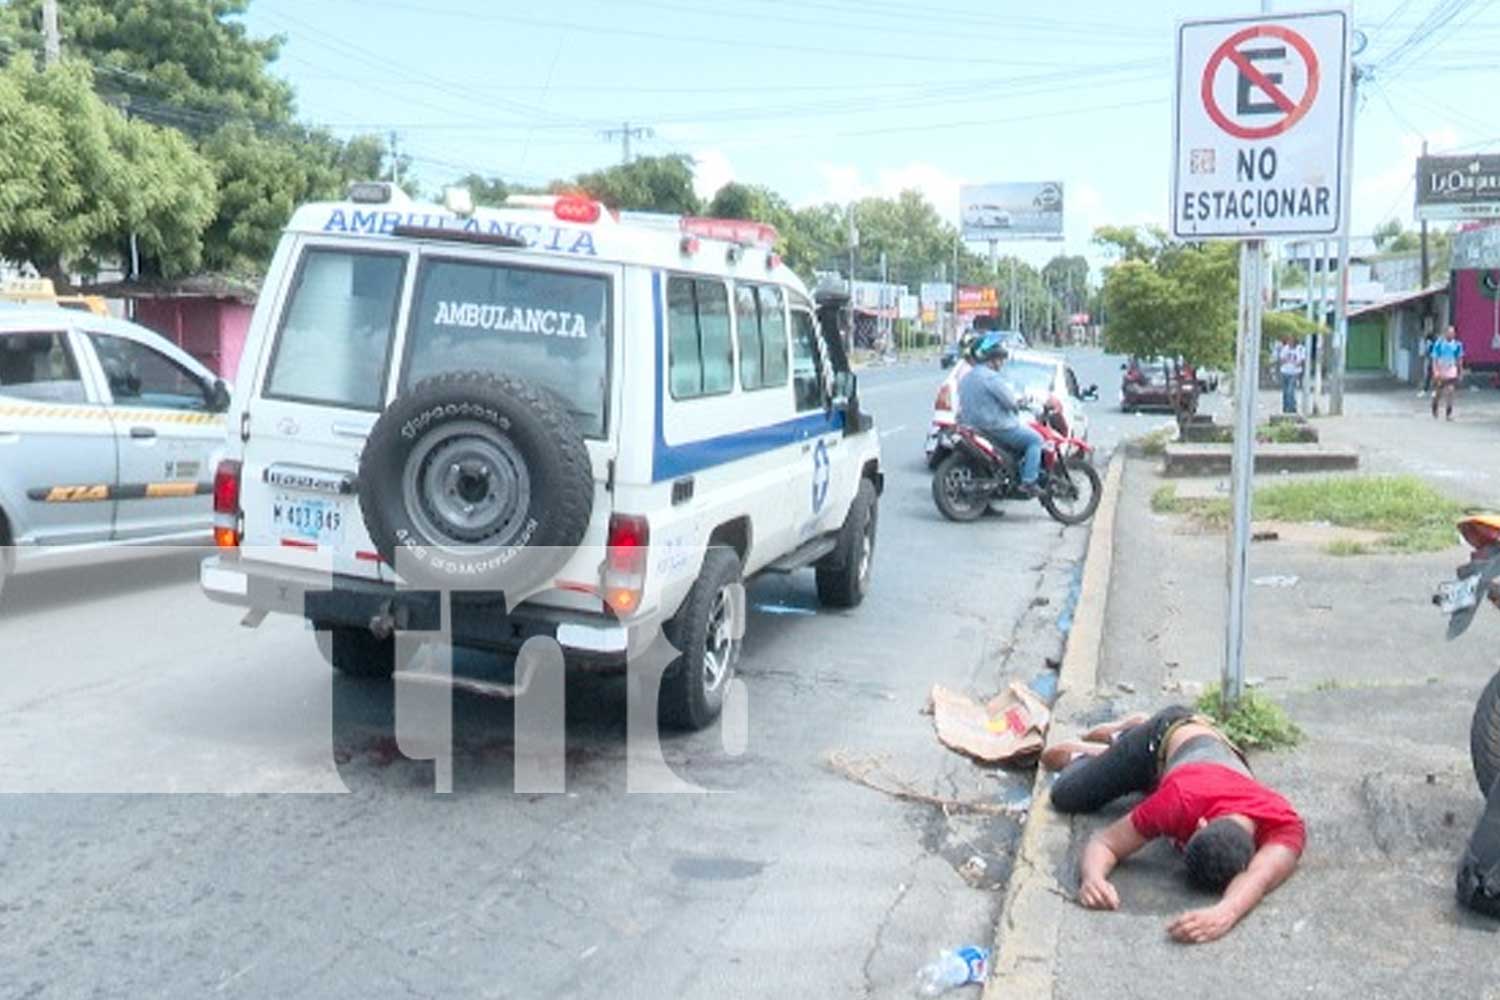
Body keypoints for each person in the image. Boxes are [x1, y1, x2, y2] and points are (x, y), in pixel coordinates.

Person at [1042, 706, 1305, 944]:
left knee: (1145, 791)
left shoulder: (1284, 821)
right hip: (1164, 737)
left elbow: (1259, 877)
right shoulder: (1179, 800)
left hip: (1198, 759)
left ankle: (1121, 758)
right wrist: (1092, 878)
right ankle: (1119, 737)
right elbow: (1105, 842)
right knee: (1067, 795)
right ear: (1200, 823)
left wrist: (1224, 913)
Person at [957, 332, 1043, 496]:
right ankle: (1029, 482)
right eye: (1001, 359)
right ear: (993, 359)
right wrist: (1020, 404)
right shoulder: (991, 378)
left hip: (972, 427)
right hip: (997, 428)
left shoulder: (967, 378)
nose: (1002, 363)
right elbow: (1010, 402)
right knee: (1035, 440)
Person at [1430, 325, 1464, 421]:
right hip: (1441, 370)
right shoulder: (1439, 344)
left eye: (1453, 333)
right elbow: (1434, 358)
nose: (1451, 334)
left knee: (1450, 391)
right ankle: (1434, 406)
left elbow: (1459, 359)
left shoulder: (1457, 345)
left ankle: (1448, 413)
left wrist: (1460, 371)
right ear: (1445, 333)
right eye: (1449, 332)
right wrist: (1435, 371)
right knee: (1438, 393)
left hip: (1451, 370)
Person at [1274, 334, 1306, 414]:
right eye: (1289, 340)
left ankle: (1292, 408)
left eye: (1291, 340)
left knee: (1290, 391)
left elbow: (1300, 361)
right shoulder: (1285, 348)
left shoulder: (1300, 349)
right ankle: (1285, 409)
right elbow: (1282, 359)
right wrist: (1288, 360)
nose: (1290, 342)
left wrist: (1291, 361)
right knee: (1285, 391)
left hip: (1295, 372)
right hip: (1285, 371)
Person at [1420, 326, 1438, 396]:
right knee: (1430, 375)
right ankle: (1427, 389)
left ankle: (1432, 390)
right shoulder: (1431, 343)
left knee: (1432, 376)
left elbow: (1429, 352)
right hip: (1432, 361)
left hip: (1434, 361)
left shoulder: (1432, 343)